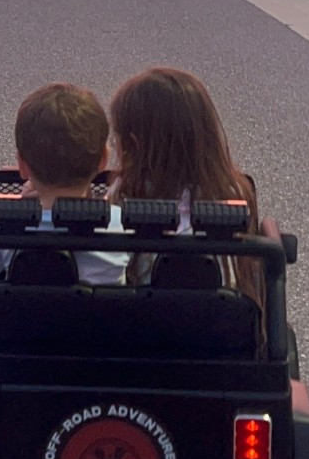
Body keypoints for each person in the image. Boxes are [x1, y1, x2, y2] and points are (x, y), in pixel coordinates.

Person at [108, 67, 268, 293]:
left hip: (140, 321)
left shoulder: (124, 195)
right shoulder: (232, 194)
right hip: (222, 320)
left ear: (133, 144)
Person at [0, 82, 128, 287]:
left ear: (22, 165)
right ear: (103, 160)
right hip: (104, 318)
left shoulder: (8, 227)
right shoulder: (121, 226)